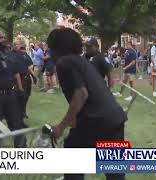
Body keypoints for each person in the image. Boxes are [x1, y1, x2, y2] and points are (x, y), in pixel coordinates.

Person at [47, 28, 127, 180]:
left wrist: (61, 126)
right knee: (115, 172)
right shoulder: (84, 62)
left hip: (94, 121)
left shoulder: (65, 62)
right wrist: (74, 119)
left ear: (57, 47)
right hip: (115, 118)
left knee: (73, 163)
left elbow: (81, 94)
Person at [13, 40, 36, 121]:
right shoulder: (11, 54)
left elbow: (30, 65)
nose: (16, 46)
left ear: (20, 45)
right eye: (14, 44)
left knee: (26, 96)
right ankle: (16, 113)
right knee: (17, 96)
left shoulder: (24, 54)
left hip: (26, 78)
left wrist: (33, 76)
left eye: (17, 44)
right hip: (15, 79)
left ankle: (23, 112)